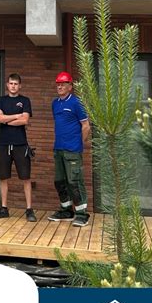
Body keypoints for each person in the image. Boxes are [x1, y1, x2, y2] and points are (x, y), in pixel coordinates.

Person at [48, 71, 91, 227]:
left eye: (63, 84)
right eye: (58, 84)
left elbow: (86, 126)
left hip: (72, 150)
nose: (59, 86)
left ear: (70, 86)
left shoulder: (76, 103)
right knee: (59, 181)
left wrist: (79, 144)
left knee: (75, 182)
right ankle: (66, 210)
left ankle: (82, 214)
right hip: (58, 149)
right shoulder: (55, 103)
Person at [0, 73, 36, 222]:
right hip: (4, 144)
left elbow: (25, 120)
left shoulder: (25, 100)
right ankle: (4, 208)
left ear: (20, 86)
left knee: (26, 177)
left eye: (16, 84)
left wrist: (6, 119)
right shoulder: (1, 100)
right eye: (11, 83)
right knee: (3, 177)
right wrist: (17, 116)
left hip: (20, 144)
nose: (13, 86)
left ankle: (29, 209)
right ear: (7, 85)